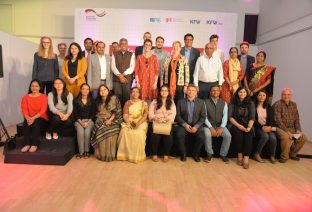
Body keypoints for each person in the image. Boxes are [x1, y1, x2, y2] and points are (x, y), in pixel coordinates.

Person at [273, 88, 308, 163]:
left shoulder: (294, 104)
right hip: (279, 128)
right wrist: (287, 132)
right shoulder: (278, 104)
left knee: (303, 137)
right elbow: (278, 121)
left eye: (288, 95)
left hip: (291, 128)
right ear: (281, 95)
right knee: (286, 137)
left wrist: (298, 130)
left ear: (291, 96)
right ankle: (284, 157)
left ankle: (292, 154)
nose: (286, 96)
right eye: (284, 94)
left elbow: (296, 119)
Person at [90, 85, 123, 162]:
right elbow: (96, 113)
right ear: (99, 92)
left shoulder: (114, 98)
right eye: (101, 90)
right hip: (100, 119)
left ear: (108, 90)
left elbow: (116, 111)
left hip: (113, 119)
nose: (103, 91)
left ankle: (110, 155)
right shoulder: (97, 101)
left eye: (104, 89)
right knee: (100, 128)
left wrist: (110, 120)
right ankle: (101, 155)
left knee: (112, 129)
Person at [117, 87, 149, 163]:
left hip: (141, 122)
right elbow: (125, 115)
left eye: (137, 92)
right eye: (133, 92)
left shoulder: (143, 103)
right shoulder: (127, 103)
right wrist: (128, 123)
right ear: (131, 93)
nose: (135, 93)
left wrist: (137, 124)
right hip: (129, 121)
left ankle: (136, 156)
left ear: (139, 94)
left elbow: (145, 116)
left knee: (139, 134)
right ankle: (125, 155)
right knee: (124, 132)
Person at [175, 84, 206, 162]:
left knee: (201, 137)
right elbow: (177, 116)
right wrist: (185, 125)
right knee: (179, 135)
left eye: (193, 90)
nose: (191, 92)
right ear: (186, 91)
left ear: (196, 92)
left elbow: (203, 117)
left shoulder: (201, 102)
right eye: (189, 90)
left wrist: (196, 126)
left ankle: (196, 154)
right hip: (184, 124)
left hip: (196, 125)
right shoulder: (180, 102)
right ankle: (183, 154)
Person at [228, 86, 255, 169]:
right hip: (235, 124)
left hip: (247, 124)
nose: (242, 94)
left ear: (246, 93)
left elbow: (252, 117)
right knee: (238, 135)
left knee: (248, 135)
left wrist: (249, 127)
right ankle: (239, 156)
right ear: (237, 93)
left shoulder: (251, 103)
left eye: (244, 92)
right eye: (240, 92)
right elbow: (230, 117)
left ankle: (246, 158)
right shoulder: (232, 102)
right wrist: (239, 126)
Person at [203, 85, 231, 163]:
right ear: (210, 92)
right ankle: (209, 154)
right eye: (213, 90)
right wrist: (210, 127)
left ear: (219, 92)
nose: (215, 92)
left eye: (217, 90)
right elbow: (204, 117)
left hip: (220, 125)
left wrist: (222, 127)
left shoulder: (224, 103)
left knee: (228, 136)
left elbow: (225, 117)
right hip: (208, 126)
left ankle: (223, 154)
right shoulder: (205, 102)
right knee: (207, 135)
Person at [148, 85, 176, 162]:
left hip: (167, 122)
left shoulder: (171, 102)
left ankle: (166, 154)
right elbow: (150, 113)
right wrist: (155, 118)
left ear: (168, 92)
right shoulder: (154, 101)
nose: (164, 92)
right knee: (155, 137)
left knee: (168, 137)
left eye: (166, 91)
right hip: (156, 121)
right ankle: (154, 154)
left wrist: (167, 119)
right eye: (162, 90)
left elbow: (173, 114)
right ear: (160, 92)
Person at [20, 80, 48, 153]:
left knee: (36, 122)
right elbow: (24, 109)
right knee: (25, 121)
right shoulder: (25, 97)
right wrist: (27, 118)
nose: (34, 88)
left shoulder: (44, 96)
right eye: (32, 86)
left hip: (41, 117)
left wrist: (33, 118)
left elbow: (43, 110)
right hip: (29, 117)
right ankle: (27, 144)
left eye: (36, 86)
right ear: (30, 87)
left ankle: (34, 144)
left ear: (40, 87)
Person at [254, 90, 277, 164]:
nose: (262, 97)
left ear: (266, 96)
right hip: (257, 127)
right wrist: (261, 127)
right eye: (260, 95)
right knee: (265, 136)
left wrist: (270, 126)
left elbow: (271, 118)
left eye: (264, 95)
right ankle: (257, 154)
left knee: (273, 138)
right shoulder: (253, 105)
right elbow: (253, 120)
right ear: (257, 96)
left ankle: (272, 156)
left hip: (267, 127)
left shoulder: (268, 106)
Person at [73, 83, 95, 159]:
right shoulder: (75, 100)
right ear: (80, 90)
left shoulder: (92, 100)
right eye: (83, 89)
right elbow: (75, 114)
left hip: (90, 121)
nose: (85, 91)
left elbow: (93, 114)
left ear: (89, 91)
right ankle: (81, 152)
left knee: (87, 132)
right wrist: (81, 123)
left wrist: (88, 123)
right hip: (79, 121)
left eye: (87, 89)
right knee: (81, 132)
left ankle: (87, 152)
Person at [111, 38, 135, 107]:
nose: (123, 45)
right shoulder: (114, 54)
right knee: (117, 98)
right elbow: (113, 66)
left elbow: (132, 67)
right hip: (116, 80)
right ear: (119, 45)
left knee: (126, 97)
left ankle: (125, 113)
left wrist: (123, 74)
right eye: (122, 43)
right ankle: (118, 115)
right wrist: (119, 76)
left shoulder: (131, 54)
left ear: (127, 45)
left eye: (125, 43)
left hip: (127, 79)